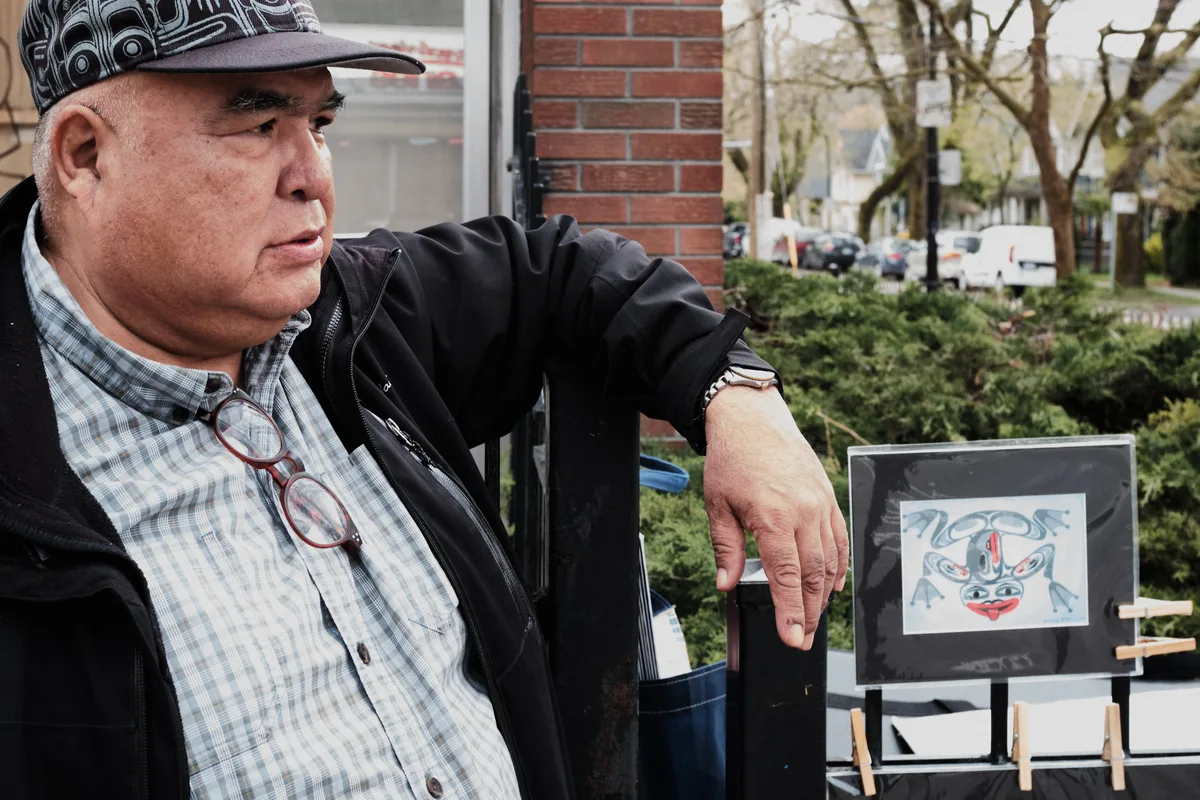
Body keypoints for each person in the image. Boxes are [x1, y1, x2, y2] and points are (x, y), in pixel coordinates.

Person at [0, 1, 848, 798]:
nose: (313, 178)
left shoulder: (349, 318)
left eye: (319, 125)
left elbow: (565, 268)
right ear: (84, 155)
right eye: (260, 125)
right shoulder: (30, 478)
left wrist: (736, 393)